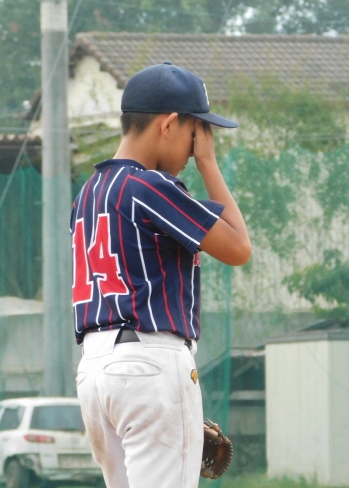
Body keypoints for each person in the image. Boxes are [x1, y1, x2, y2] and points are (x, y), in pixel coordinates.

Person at [71, 62, 251, 488]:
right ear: (169, 125)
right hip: (150, 364)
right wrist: (209, 165)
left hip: (95, 372)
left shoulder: (89, 192)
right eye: (196, 133)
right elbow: (239, 247)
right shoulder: (151, 186)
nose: (195, 148)